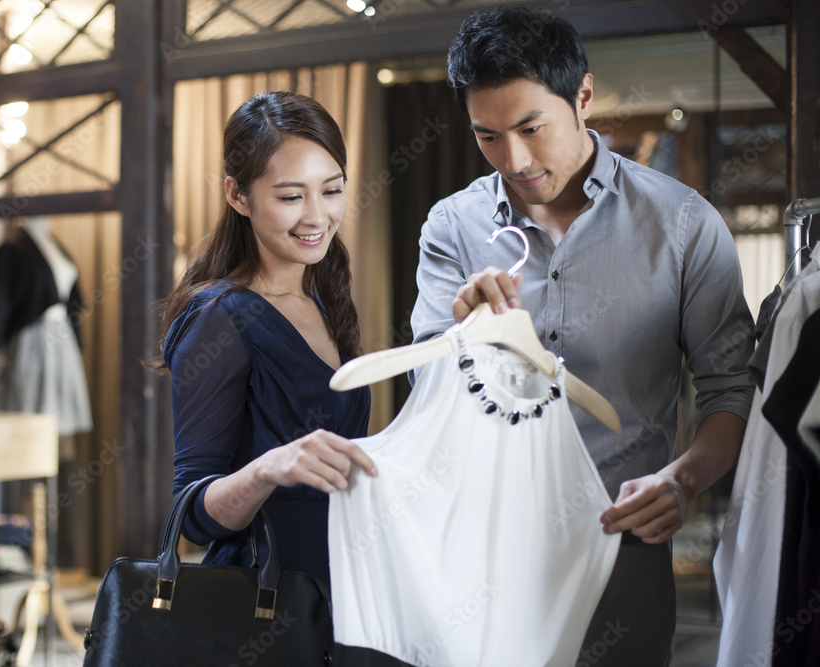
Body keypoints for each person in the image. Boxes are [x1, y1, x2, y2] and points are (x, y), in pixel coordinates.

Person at [410, 7, 755, 665]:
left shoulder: (684, 224)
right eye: (487, 135)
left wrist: (684, 481)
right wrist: (463, 334)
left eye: (531, 127)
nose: (514, 158)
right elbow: (428, 389)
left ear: (584, 97)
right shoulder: (452, 225)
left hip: (621, 547)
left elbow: (731, 389)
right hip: (481, 551)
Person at [155, 91, 378, 593]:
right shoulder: (219, 317)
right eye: (291, 197)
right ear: (238, 196)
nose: (317, 216)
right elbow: (190, 515)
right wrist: (269, 469)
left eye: (332, 190)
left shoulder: (322, 298)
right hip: (262, 601)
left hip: (338, 588)